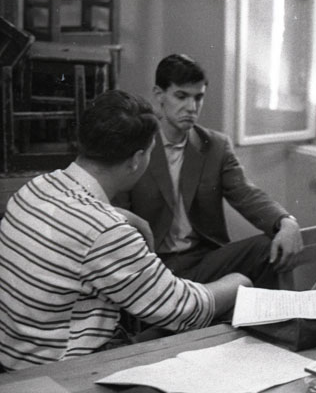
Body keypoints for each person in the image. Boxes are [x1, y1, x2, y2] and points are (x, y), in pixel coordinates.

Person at [0, 90, 251, 371]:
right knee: (222, 319)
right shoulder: (105, 231)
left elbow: (78, 227)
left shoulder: (34, 188)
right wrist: (239, 282)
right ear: (135, 159)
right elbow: (184, 310)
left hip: (15, 358)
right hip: (65, 372)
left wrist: (123, 216)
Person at [114, 54, 302, 289]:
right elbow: (118, 215)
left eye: (198, 97)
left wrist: (285, 221)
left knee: (267, 248)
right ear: (159, 95)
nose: (191, 108)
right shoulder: (136, 146)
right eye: (181, 96)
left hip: (204, 259)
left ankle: (271, 314)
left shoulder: (214, 145)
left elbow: (246, 194)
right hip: (153, 264)